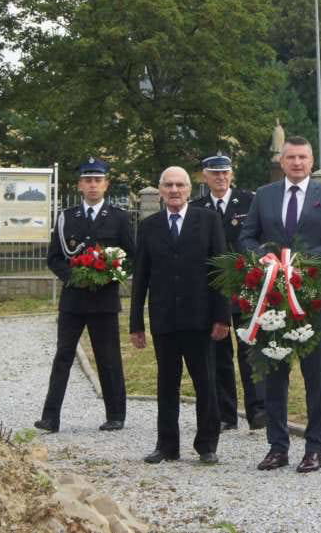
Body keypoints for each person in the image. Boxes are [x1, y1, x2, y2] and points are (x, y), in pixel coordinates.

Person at [238, 135, 321, 473]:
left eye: (303, 157)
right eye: (291, 158)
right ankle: (277, 447)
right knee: (274, 372)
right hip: (271, 294)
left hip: (310, 297)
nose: (297, 163)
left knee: (315, 375)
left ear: (312, 161)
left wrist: (304, 260)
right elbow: (246, 236)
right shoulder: (264, 195)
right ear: (282, 162)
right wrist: (265, 258)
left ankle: (314, 449)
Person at [129, 166, 231, 465]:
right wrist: (136, 323)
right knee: (166, 384)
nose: (174, 190)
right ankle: (167, 445)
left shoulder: (208, 221)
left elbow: (220, 270)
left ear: (190, 189)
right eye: (169, 185)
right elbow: (141, 278)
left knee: (206, 383)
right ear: (160, 190)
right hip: (165, 319)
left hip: (201, 319)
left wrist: (222, 317)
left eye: (180, 185)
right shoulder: (149, 226)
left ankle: (207, 445)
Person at [35, 157, 134, 433]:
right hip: (73, 300)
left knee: (109, 358)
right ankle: (50, 417)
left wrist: (112, 273)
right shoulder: (67, 217)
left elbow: (132, 257)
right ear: (80, 184)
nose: (93, 185)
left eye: (97, 180)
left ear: (106, 184)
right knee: (63, 356)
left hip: (104, 299)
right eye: (88, 180)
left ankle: (116, 415)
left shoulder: (119, 217)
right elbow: (54, 258)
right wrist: (73, 277)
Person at [189, 153, 267, 431]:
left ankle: (258, 410)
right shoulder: (196, 208)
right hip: (214, 290)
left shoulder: (250, 201)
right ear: (204, 177)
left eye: (225, 173)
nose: (220, 178)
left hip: (246, 287)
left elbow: (261, 240)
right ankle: (225, 413)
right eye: (214, 173)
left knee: (251, 350)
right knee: (218, 353)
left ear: (232, 174)